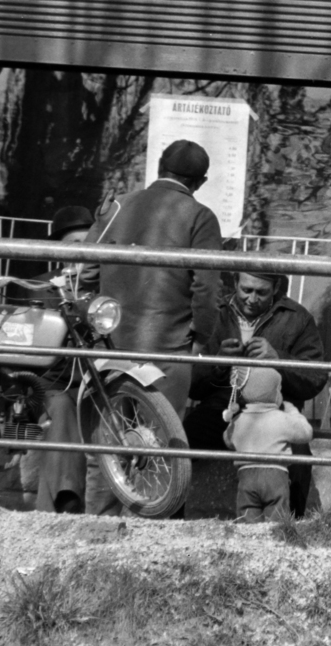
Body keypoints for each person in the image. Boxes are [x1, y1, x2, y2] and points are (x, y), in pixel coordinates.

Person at [79, 139, 224, 514]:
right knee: (159, 447)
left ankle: (97, 531)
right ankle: (146, 539)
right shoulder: (199, 216)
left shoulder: (116, 207)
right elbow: (206, 288)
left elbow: (87, 270)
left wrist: (101, 321)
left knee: (108, 445)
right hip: (169, 349)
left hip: (111, 346)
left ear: (159, 166)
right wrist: (201, 336)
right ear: (201, 181)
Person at [184, 270, 327, 516]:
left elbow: (315, 379)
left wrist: (278, 359)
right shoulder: (216, 314)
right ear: (235, 282)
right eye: (246, 290)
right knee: (181, 441)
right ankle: (170, 522)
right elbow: (192, 384)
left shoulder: (297, 317)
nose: (252, 299)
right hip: (224, 409)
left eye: (261, 292)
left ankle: (292, 529)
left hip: (274, 410)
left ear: (276, 288)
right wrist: (219, 362)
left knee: (300, 458)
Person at [23, 205, 95, 515]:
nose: (82, 252)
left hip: (92, 386)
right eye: (74, 245)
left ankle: (56, 507)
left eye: (89, 244)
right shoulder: (41, 288)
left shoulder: (103, 287)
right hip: (50, 386)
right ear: (60, 250)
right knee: (64, 409)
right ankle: (63, 504)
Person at [222, 366, 314, 523]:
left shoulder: (239, 421)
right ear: (274, 393)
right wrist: (292, 411)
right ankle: (274, 543)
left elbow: (228, 440)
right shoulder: (282, 419)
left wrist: (234, 421)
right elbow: (306, 433)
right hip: (275, 475)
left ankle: (250, 544)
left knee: (247, 520)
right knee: (276, 520)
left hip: (246, 476)